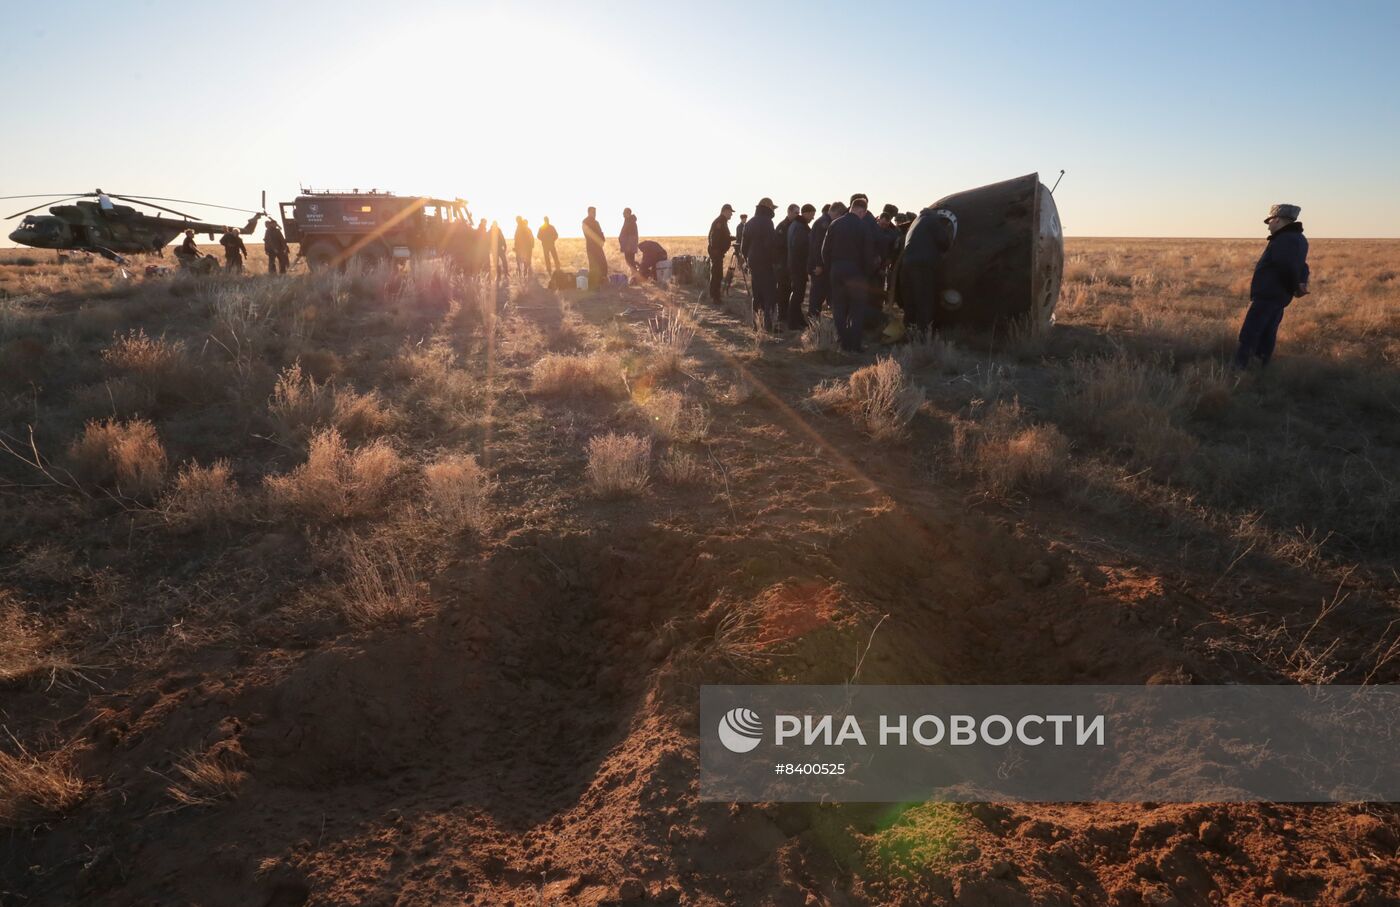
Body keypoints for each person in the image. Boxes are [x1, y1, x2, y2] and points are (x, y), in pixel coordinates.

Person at [1234, 204, 1309, 369]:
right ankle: (1260, 366)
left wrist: (1295, 287)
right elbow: (1303, 266)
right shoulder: (1299, 239)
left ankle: (1240, 369)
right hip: (1279, 295)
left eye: (1270, 221)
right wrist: (1300, 283)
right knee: (1268, 332)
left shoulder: (1284, 239)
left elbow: (1287, 267)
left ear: (1278, 220)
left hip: (1269, 294)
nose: (1268, 226)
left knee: (1251, 332)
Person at [821, 199, 875, 352]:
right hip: (856, 272)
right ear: (862, 211)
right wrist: (867, 273)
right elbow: (868, 254)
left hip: (836, 270)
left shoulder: (835, 224)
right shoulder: (863, 226)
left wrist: (831, 267)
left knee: (839, 307)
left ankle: (842, 342)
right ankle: (855, 345)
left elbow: (825, 250)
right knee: (856, 309)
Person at [896, 208, 957, 337]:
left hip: (906, 265)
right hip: (923, 266)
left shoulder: (917, 222)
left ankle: (909, 333)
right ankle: (923, 337)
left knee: (910, 302)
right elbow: (943, 242)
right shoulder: (933, 220)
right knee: (924, 300)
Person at [740, 198, 779, 330]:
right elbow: (771, 244)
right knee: (769, 293)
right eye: (772, 208)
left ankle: (756, 324)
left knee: (757, 293)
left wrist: (748, 260)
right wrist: (774, 261)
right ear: (768, 208)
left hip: (753, 262)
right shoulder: (768, 222)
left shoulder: (750, 222)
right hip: (766, 263)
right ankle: (768, 325)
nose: (773, 210)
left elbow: (743, 247)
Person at [784, 204, 816, 329]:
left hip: (795, 265)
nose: (812, 218)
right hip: (798, 266)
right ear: (806, 213)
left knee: (798, 294)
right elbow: (800, 248)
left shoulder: (796, 225)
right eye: (812, 215)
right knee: (797, 294)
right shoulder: (800, 227)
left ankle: (797, 319)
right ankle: (792, 322)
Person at [773, 204, 798, 323]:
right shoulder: (782, 226)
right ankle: (781, 315)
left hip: (790, 263)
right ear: (789, 212)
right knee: (783, 290)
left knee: (788, 289)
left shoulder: (795, 225)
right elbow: (777, 246)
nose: (797, 215)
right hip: (782, 264)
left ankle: (785, 313)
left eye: (798, 213)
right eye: (795, 213)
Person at [807, 203, 833, 320]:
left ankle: (813, 317)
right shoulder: (824, 223)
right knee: (817, 293)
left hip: (818, 265)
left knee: (818, 293)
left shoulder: (821, 221)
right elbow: (818, 246)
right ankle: (813, 318)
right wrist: (819, 264)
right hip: (818, 267)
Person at [707, 203, 735, 303]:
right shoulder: (719, 222)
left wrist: (734, 238)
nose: (731, 214)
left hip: (717, 252)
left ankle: (715, 295)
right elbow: (714, 237)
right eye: (730, 212)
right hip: (716, 252)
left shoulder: (722, 221)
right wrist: (716, 251)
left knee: (717, 274)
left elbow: (724, 237)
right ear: (725, 211)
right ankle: (715, 297)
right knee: (717, 274)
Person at [582, 206, 607, 290]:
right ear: (589, 212)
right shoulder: (585, 221)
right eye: (593, 212)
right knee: (593, 264)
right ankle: (593, 283)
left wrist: (602, 239)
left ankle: (601, 279)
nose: (595, 214)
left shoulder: (596, 222)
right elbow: (588, 234)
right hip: (591, 246)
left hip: (598, 245)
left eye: (595, 213)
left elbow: (600, 231)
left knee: (602, 262)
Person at [619, 207, 639, 273]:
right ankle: (635, 275)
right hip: (628, 245)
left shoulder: (630, 222)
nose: (623, 214)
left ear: (628, 213)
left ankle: (635, 276)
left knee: (629, 261)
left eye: (624, 213)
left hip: (629, 246)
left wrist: (628, 246)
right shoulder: (628, 221)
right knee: (630, 261)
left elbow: (631, 236)